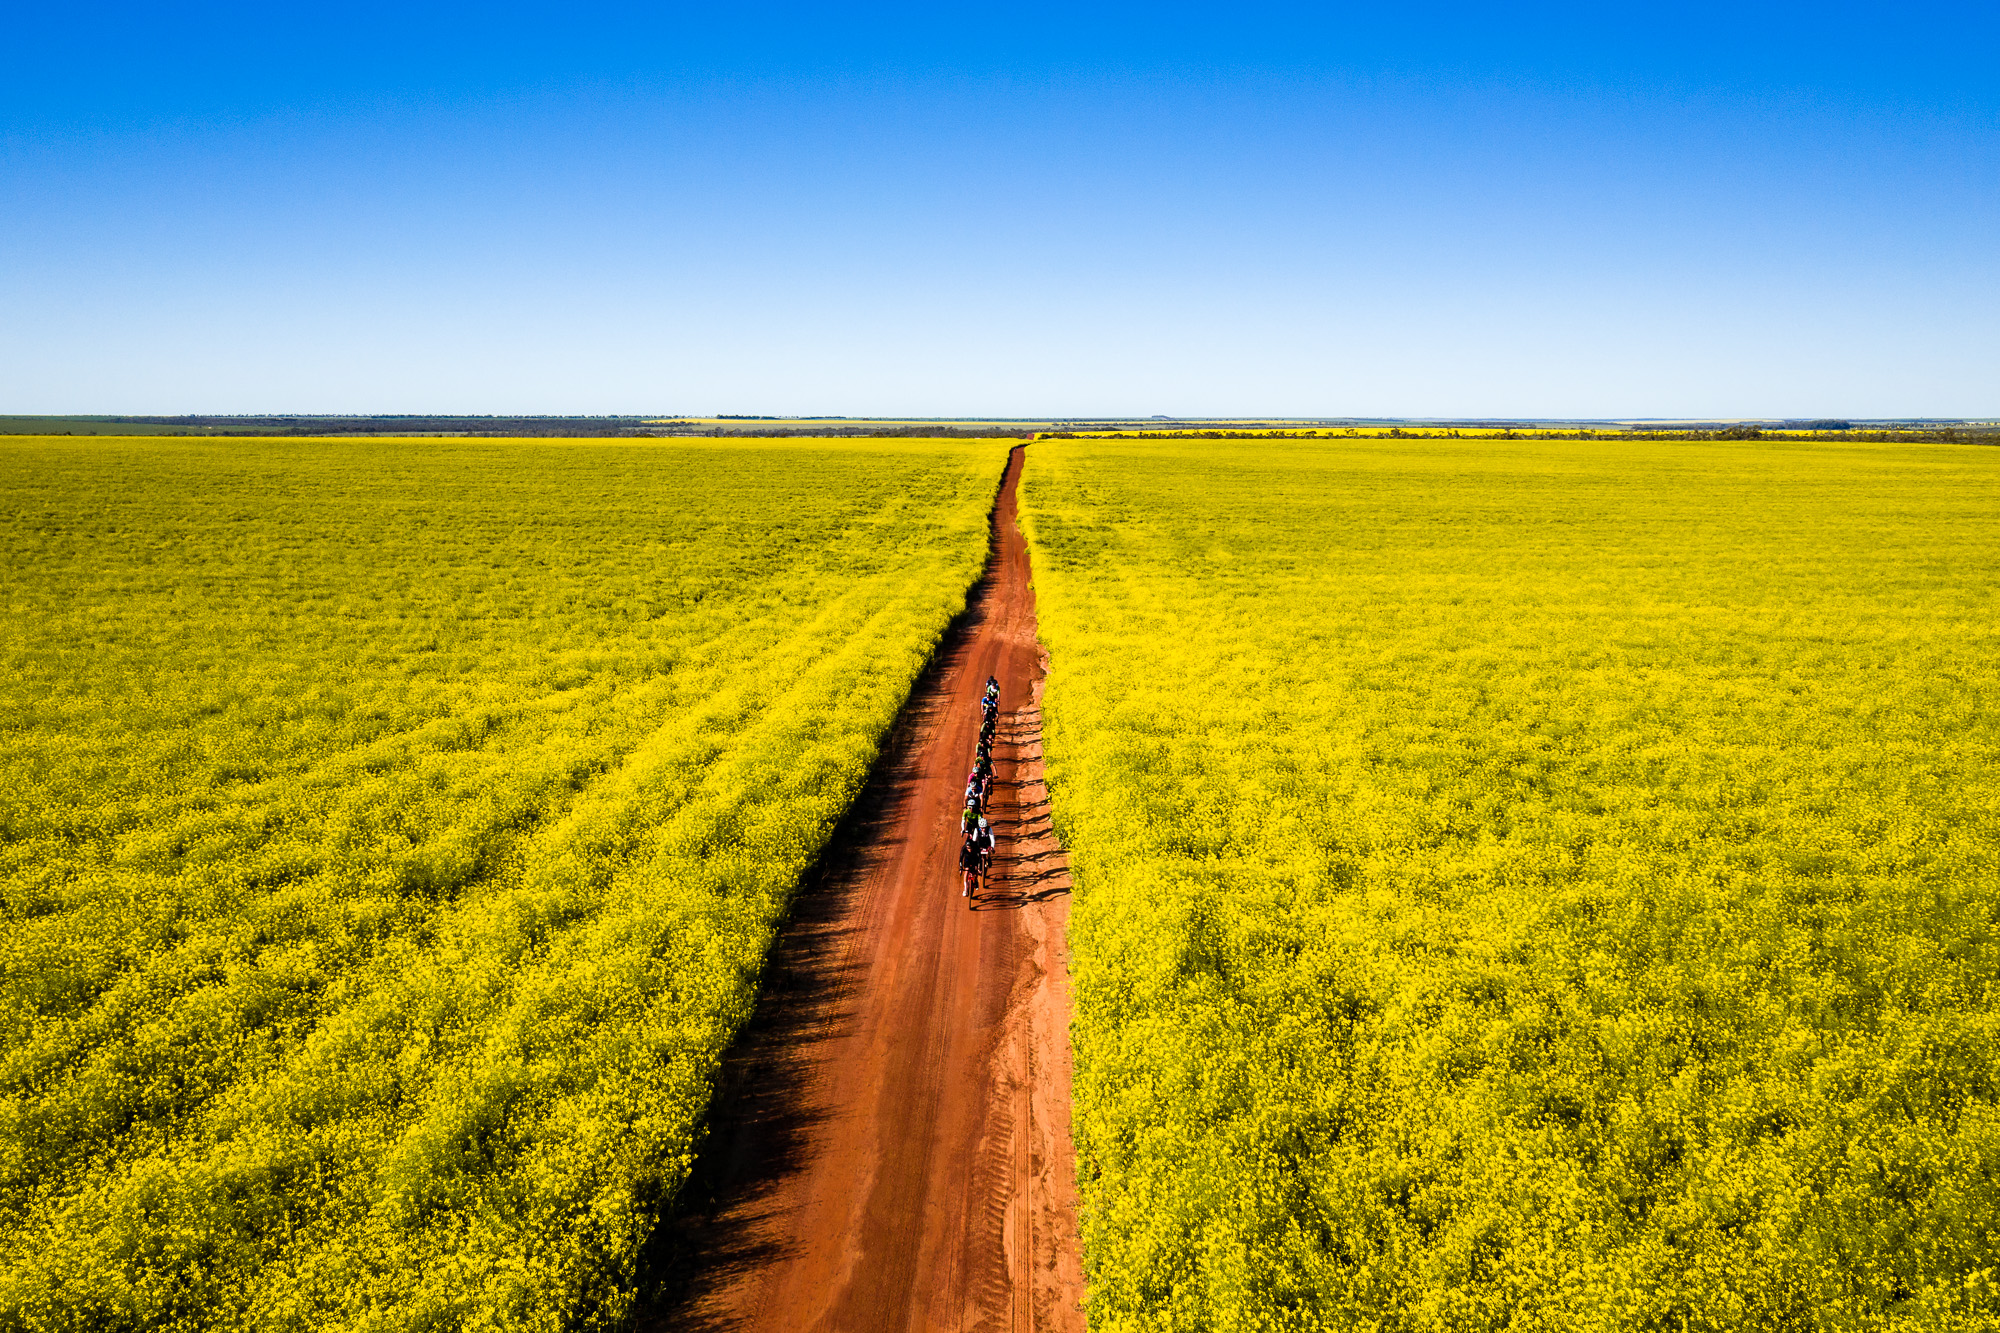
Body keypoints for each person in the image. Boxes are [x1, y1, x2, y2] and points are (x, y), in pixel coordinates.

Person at [959, 832, 983, 897]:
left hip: (974, 859)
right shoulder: (964, 849)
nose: (969, 849)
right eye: (968, 848)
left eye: (970, 848)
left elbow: (979, 859)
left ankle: (975, 881)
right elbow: (961, 859)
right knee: (966, 872)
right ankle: (965, 889)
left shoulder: (976, 848)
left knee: (975, 870)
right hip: (967, 859)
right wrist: (961, 868)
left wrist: (979, 868)